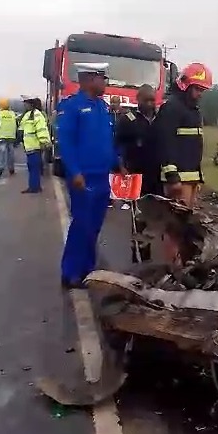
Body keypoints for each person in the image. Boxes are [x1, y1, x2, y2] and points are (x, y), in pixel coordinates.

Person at [57, 62, 126, 289]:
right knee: (82, 224)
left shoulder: (102, 107)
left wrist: (118, 164)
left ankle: (87, 268)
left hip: (101, 175)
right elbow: (66, 142)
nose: (105, 83)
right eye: (102, 78)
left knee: (94, 225)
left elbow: (107, 141)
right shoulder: (72, 106)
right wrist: (74, 171)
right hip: (83, 177)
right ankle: (71, 272)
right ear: (88, 79)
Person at [156, 62, 212, 209]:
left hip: (190, 178)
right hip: (178, 180)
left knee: (185, 224)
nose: (200, 94)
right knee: (175, 224)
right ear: (185, 85)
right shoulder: (171, 108)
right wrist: (172, 178)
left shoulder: (193, 110)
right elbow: (166, 144)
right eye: (197, 89)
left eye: (202, 90)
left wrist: (197, 179)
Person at [115, 84, 160, 262]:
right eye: (146, 100)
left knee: (156, 219)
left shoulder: (160, 119)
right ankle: (139, 258)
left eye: (152, 100)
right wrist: (121, 167)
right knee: (138, 219)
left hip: (156, 176)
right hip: (135, 175)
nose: (150, 104)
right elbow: (118, 146)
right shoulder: (128, 120)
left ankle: (149, 252)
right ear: (138, 100)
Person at [18, 96, 51, 193]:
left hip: (36, 146)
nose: (25, 105)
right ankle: (33, 186)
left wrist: (44, 142)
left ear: (31, 104)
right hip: (29, 146)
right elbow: (22, 128)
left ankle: (34, 187)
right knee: (32, 167)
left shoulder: (37, 115)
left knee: (34, 168)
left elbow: (41, 130)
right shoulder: (27, 115)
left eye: (26, 103)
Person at [0, 98, 18, 178]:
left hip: (2, 137)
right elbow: (17, 126)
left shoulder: (0, 114)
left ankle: (1, 167)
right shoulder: (13, 114)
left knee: (2, 153)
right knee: (11, 153)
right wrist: (18, 138)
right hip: (11, 137)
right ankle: (11, 168)